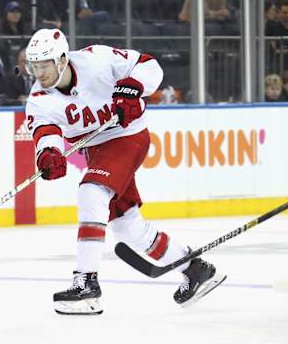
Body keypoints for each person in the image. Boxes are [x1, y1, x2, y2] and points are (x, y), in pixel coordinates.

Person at [24, 29, 226, 315]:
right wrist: (48, 153)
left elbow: (148, 65)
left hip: (128, 136)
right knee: (127, 226)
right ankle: (195, 269)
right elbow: (46, 131)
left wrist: (132, 87)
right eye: (34, 65)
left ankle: (86, 285)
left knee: (91, 193)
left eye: (44, 64)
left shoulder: (97, 60)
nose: (39, 72)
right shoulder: (38, 98)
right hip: (97, 150)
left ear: (61, 60)